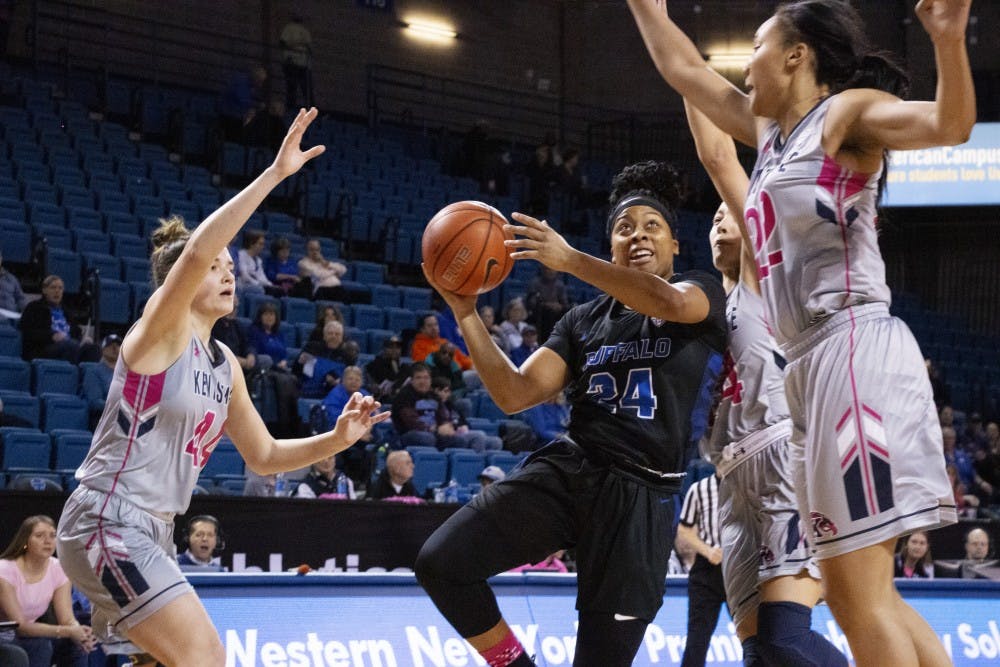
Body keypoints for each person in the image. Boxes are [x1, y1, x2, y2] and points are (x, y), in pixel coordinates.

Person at [626, 0, 975, 663]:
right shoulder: (771, 135)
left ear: (797, 55)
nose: (746, 61)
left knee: (857, 597)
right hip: (810, 369)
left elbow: (948, 124)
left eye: (758, 44)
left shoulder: (844, 115)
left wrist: (949, 41)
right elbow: (682, 67)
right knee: (868, 594)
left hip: (850, 348)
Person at [54, 108, 389, 667]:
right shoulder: (158, 333)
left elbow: (263, 457)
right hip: (108, 519)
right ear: (181, 282)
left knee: (159, 662)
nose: (228, 273)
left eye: (232, 266)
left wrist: (337, 438)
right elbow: (196, 251)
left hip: (155, 528)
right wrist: (275, 176)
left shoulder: (226, 363)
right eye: (217, 267)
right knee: (206, 656)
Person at [415, 159, 727, 667]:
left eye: (653, 227)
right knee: (441, 563)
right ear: (613, 247)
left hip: (641, 499)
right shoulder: (583, 321)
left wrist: (569, 259)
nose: (638, 236)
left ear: (674, 245)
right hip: (572, 471)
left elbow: (666, 301)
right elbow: (515, 393)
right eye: (625, 228)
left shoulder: (701, 294)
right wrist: (467, 314)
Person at [683, 88, 842, 663]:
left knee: (786, 638)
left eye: (731, 212)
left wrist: (683, 75)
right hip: (729, 478)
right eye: (715, 217)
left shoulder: (760, 278)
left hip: (778, 461)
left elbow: (719, 159)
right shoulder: (703, 304)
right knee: (759, 651)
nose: (722, 221)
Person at [0, 515, 95, 667]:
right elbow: (21, 626)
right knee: (40, 646)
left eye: (52, 535)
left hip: (30, 635)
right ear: (25, 542)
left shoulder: (59, 568)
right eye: (39, 536)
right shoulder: (5, 570)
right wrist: (68, 631)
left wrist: (78, 632)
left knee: (76, 645)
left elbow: (67, 619)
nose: (48, 541)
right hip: (5, 634)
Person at [675, 472, 727, 667]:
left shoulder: (750, 485)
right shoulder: (699, 489)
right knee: (697, 639)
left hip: (740, 569)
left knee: (754, 639)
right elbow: (684, 529)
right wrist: (707, 550)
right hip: (707, 569)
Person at [19, 276, 99, 363]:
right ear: (44, 290)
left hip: (70, 345)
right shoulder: (34, 307)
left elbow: (76, 331)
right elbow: (28, 331)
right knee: (70, 345)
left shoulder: (66, 310)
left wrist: (83, 339)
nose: (57, 291)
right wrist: (51, 336)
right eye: (53, 287)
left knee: (93, 349)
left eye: (60, 288)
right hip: (45, 347)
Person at [295, 319, 350, 398]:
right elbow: (296, 371)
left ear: (342, 338)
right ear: (324, 336)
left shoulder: (347, 355)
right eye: (330, 333)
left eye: (337, 334)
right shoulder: (311, 348)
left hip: (334, 394)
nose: (333, 337)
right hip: (308, 391)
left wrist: (338, 381)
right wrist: (299, 362)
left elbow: (349, 377)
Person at [81, 334, 121, 427]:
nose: (114, 348)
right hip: (102, 421)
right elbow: (95, 403)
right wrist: (120, 407)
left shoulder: (127, 373)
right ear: (103, 350)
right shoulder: (93, 371)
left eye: (118, 345)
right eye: (110, 345)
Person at [210, 295, 257, 375]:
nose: (233, 310)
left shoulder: (237, 325)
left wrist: (251, 355)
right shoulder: (212, 325)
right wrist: (233, 359)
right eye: (230, 307)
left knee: (264, 360)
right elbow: (213, 350)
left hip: (241, 362)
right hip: (221, 362)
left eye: (235, 308)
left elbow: (247, 344)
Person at [526, 267, 569, 341]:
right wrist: (547, 305)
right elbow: (532, 302)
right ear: (543, 270)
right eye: (547, 269)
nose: (550, 271)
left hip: (556, 315)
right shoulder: (535, 283)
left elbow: (565, 304)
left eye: (552, 269)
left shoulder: (560, 285)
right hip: (540, 315)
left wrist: (559, 306)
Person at [279, 14, 313, 109]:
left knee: (294, 87)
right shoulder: (300, 30)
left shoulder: (291, 28)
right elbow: (309, 48)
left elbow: (282, 43)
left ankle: (293, 107)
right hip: (298, 62)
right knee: (301, 88)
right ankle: (307, 109)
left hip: (296, 61)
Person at [365, 335, 410, 402]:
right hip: (382, 400)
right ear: (384, 349)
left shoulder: (405, 368)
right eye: (391, 347)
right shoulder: (374, 365)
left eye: (398, 347)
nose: (394, 350)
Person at [236, 230, 282, 297]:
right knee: (260, 289)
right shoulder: (241, 255)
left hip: (256, 285)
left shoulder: (258, 260)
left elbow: (262, 277)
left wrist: (271, 285)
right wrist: (258, 284)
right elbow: (244, 276)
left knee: (277, 291)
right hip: (242, 285)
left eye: (263, 244)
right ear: (252, 244)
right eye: (260, 244)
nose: (262, 247)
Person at [0, 249, 26, 317]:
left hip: (12, 315)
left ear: (1, 259)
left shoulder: (11, 278)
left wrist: (23, 310)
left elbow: (20, 298)